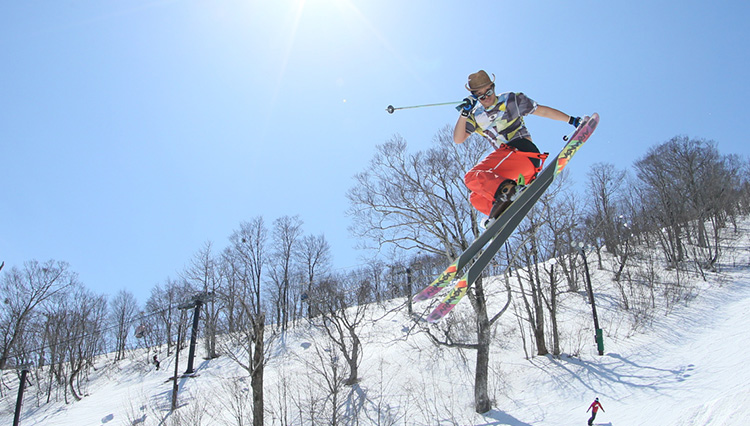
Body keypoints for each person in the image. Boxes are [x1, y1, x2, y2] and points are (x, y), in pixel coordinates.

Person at [453, 70, 581, 221]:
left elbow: (543, 111)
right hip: (518, 174)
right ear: (474, 97)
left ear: (493, 87)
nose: (486, 97)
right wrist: (464, 114)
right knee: (476, 197)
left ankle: (509, 193)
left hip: (521, 151)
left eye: (488, 91)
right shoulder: (475, 115)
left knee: (472, 177)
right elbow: (458, 139)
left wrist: (571, 120)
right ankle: (500, 214)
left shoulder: (510, 99)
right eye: (480, 96)